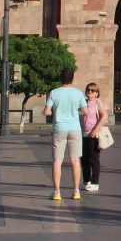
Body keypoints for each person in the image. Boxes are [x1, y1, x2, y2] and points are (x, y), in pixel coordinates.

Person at [43, 67, 88, 201]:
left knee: (57, 160)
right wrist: (74, 112)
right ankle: (76, 191)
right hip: (75, 128)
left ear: (60, 78)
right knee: (75, 160)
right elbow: (85, 111)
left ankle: (57, 192)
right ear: (72, 78)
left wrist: (52, 112)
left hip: (59, 128)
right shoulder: (78, 93)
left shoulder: (54, 93)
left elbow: (47, 111)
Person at [80, 82, 109, 191]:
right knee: (84, 159)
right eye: (88, 90)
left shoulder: (97, 102)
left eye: (93, 90)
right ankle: (86, 181)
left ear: (97, 93)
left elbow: (104, 115)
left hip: (94, 134)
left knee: (93, 159)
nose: (90, 92)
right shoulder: (83, 102)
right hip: (83, 134)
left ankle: (95, 182)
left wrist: (95, 129)